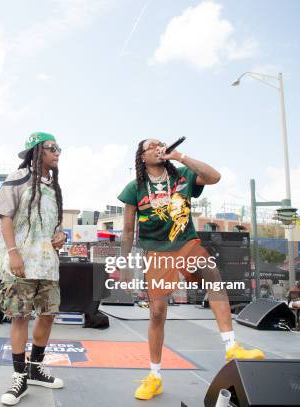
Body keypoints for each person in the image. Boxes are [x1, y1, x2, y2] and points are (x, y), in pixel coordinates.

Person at [117, 138, 264, 401]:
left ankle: (232, 347)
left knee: (212, 274)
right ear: (141, 157)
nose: (158, 147)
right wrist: (124, 263)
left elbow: (214, 176)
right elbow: (128, 231)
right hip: (157, 251)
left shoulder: (182, 175)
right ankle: (154, 375)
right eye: (151, 146)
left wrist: (179, 156)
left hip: (186, 243)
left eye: (161, 143)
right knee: (158, 312)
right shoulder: (134, 188)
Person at [0, 132, 66, 406]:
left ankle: (35, 369)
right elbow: (6, 219)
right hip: (21, 263)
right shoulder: (17, 178)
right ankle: (19, 376)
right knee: (20, 317)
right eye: (52, 148)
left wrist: (62, 236)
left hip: (48, 264)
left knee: (47, 315)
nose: (58, 152)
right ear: (37, 151)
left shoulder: (54, 187)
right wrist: (13, 254)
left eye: (59, 148)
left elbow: (54, 226)